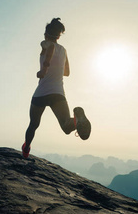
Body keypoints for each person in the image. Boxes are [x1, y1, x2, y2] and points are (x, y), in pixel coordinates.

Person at [22, 18, 91, 158]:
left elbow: (50, 51)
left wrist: (44, 70)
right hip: (58, 94)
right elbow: (67, 72)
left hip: (41, 94)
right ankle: (77, 121)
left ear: (46, 33)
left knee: (33, 124)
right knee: (66, 126)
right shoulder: (64, 50)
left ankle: (26, 148)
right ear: (59, 35)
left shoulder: (46, 44)